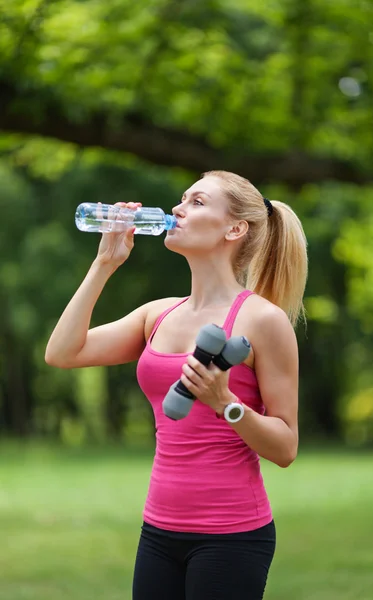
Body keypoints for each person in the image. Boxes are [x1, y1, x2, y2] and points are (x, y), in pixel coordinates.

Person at [45, 170, 308, 600]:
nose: (177, 209)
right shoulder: (158, 314)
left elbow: (286, 447)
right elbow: (62, 353)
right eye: (182, 199)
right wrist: (104, 263)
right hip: (159, 532)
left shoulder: (263, 320)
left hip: (232, 536)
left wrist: (225, 402)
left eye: (197, 202)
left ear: (234, 228)